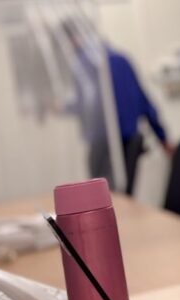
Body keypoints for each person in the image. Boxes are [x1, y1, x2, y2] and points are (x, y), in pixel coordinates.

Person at [61, 22, 173, 193]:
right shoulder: (120, 59)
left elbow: (85, 102)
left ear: (74, 38)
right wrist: (162, 137)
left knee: (102, 197)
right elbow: (144, 102)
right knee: (123, 197)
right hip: (129, 141)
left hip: (105, 143)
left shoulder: (84, 64)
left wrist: (59, 107)